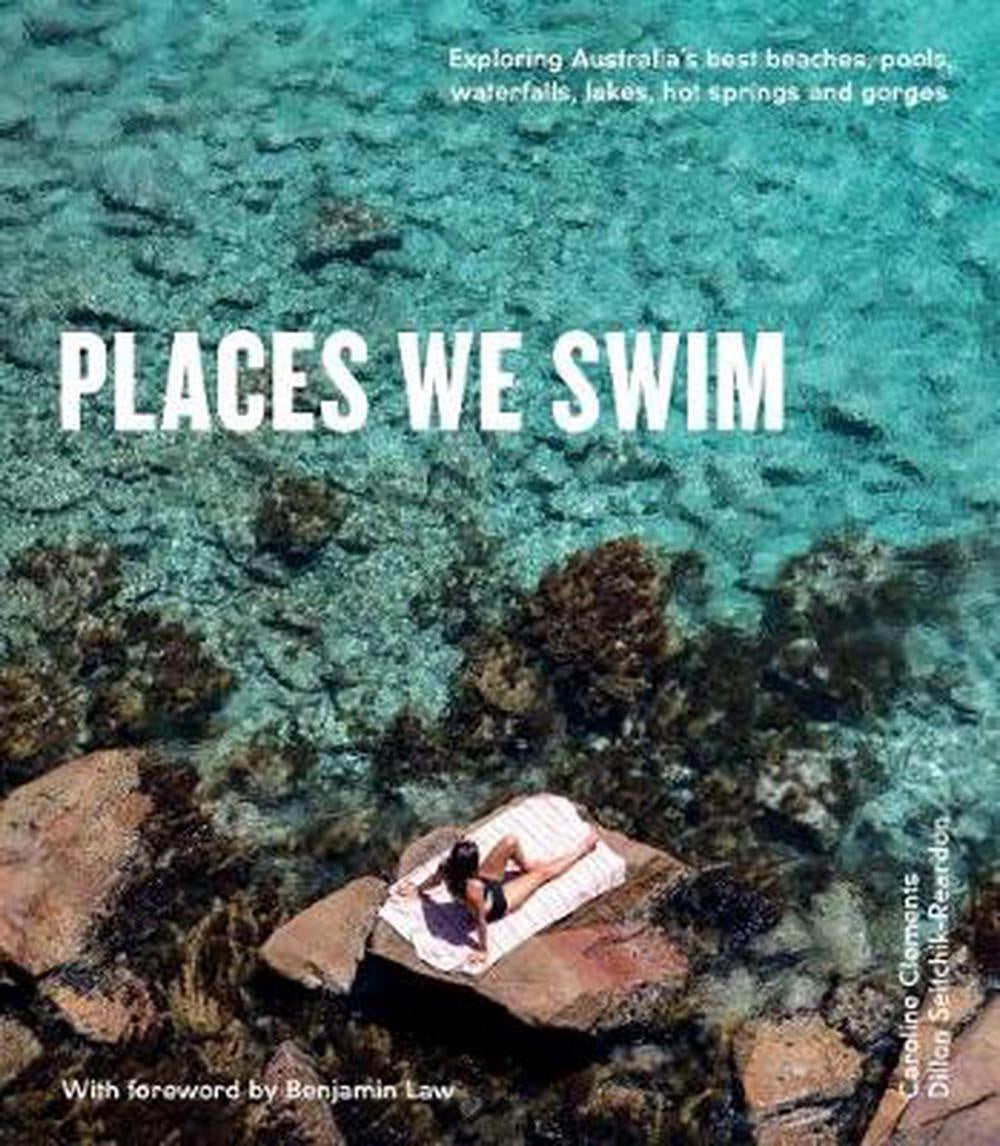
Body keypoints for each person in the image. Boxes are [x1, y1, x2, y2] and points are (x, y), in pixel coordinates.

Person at [394, 827, 599, 967]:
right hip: (498, 904)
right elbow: (481, 921)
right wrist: (483, 950)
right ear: (472, 866)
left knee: (510, 841)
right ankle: (583, 849)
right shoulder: (472, 891)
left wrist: (418, 890)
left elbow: (434, 881)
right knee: (542, 874)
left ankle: (527, 866)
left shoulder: (447, 866)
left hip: (484, 883)